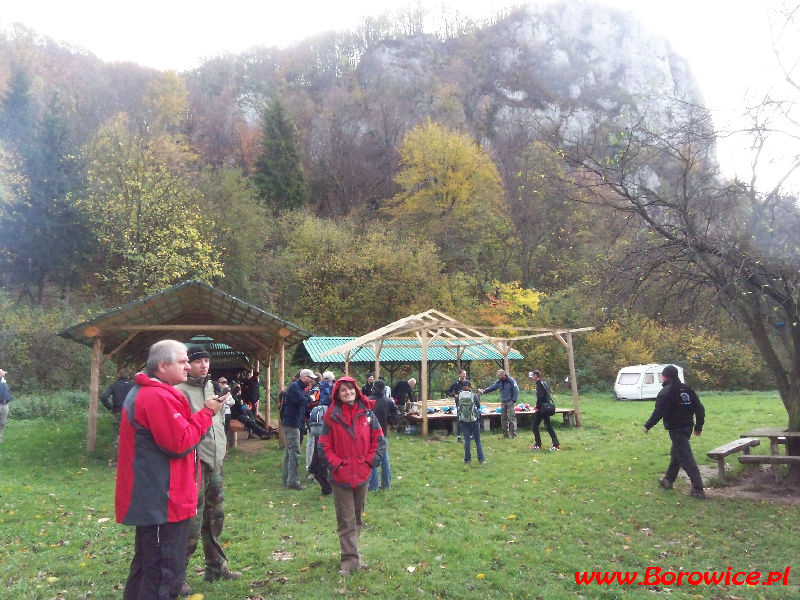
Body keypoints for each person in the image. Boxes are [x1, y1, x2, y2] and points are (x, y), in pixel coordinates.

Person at [115, 340, 225, 600]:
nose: (188, 366)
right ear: (162, 366)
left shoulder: (156, 393)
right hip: (162, 502)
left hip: (161, 499)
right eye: (183, 361)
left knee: (148, 566)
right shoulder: (156, 396)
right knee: (163, 572)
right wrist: (207, 413)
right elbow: (180, 443)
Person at [176, 345, 241, 594]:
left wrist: (221, 449)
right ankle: (177, 574)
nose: (204, 365)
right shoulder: (178, 391)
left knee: (216, 516)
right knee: (192, 519)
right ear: (187, 364)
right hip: (193, 462)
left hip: (216, 460)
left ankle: (216, 566)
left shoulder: (212, 387)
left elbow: (218, 420)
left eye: (207, 361)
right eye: (198, 361)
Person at [318, 377, 385, 575]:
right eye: (343, 390)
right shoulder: (331, 417)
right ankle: (349, 562)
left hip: (362, 475)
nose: (348, 392)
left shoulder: (368, 414)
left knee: (356, 517)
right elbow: (323, 447)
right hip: (341, 478)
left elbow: (379, 441)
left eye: (350, 389)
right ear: (337, 394)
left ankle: (354, 556)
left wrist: (370, 462)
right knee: (346, 520)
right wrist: (337, 465)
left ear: (356, 390)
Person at [643, 364, 706, 499]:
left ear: (665, 376)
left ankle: (698, 488)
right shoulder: (687, 389)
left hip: (676, 428)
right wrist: (698, 426)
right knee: (676, 453)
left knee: (685, 457)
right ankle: (668, 480)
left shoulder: (666, 392)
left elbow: (659, 412)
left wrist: (647, 426)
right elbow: (700, 409)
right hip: (688, 426)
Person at [282, 368, 315, 490]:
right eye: (310, 378)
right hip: (292, 424)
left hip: (293, 423)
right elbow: (301, 401)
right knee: (295, 452)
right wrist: (310, 399)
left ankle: (287, 479)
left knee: (289, 452)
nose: (311, 380)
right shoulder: (295, 387)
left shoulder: (299, 388)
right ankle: (293, 482)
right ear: (304, 377)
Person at [368, 379, 400, 490]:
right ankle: (386, 485)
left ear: (374, 388)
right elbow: (396, 415)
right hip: (383, 433)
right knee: (384, 459)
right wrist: (391, 423)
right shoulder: (388, 401)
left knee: (372, 459)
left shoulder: (368, 401)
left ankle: (373, 486)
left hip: (369, 434)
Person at [100, 368, 134, 459]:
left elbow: (103, 397)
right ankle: (130, 457)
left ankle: (117, 458)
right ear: (129, 376)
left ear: (118, 375)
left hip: (118, 412)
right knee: (132, 434)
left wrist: (110, 407)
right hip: (131, 412)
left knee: (118, 435)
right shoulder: (133, 386)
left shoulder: (113, 386)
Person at [479, 369, 519, 438]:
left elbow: (516, 390)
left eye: (499, 376)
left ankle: (513, 435)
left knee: (511, 419)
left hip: (510, 401)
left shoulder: (511, 381)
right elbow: (492, 388)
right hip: (503, 402)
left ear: (503, 374)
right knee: (503, 419)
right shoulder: (499, 382)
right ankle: (505, 435)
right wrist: (484, 391)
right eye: (497, 376)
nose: (498, 377)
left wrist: (513, 400)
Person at [530, 370, 560, 450]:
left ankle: (538, 444)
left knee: (534, 426)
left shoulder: (539, 384)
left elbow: (540, 397)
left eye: (533, 375)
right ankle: (556, 444)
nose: (532, 377)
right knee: (549, 426)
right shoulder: (544, 383)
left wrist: (537, 406)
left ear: (536, 376)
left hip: (542, 408)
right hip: (546, 407)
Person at [457, 380, 485, 465]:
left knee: (467, 440)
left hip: (463, 420)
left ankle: (467, 460)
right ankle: (481, 459)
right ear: (470, 387)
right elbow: (479, 406)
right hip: (474, 420)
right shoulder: (474, 395)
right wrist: (479, 396)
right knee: (477, 440)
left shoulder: (460, 395)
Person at [445, 369, 469, 442]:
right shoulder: (456, 383)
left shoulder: (467, 383)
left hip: (467, 403)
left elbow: (471, 391)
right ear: (459, 374)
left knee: (468, 419)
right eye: (463, 374)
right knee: (460, 419)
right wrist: (454, 395)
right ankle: (459, 436)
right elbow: (447, 391)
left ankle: (468, 435)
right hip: (459, 403)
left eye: (465, 374)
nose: (464, 375)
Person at [0, 369, 11, 443]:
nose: (4, 373)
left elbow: (6, 391)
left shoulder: (4, 382)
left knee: (3, 422)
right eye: (3, 372)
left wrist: (9, 398)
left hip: (5, 405)